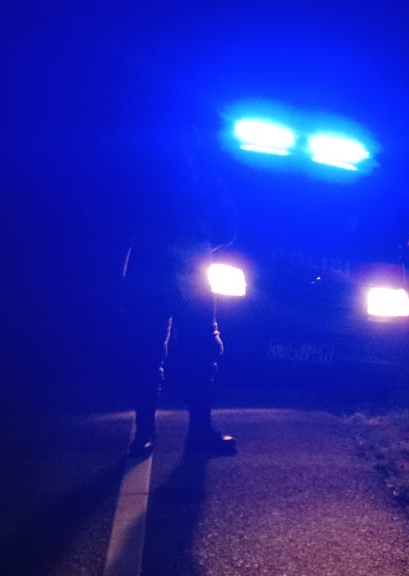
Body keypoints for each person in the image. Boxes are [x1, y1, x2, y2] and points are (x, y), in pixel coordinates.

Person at [121, 124, 237, 457]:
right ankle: (163, 432)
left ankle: (173, 433)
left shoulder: (187, 182)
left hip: (179, 276)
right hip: (166, 276)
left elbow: (227, 229)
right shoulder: (194, 182)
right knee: (159, 353)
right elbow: (226, 229)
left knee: (192, 353)